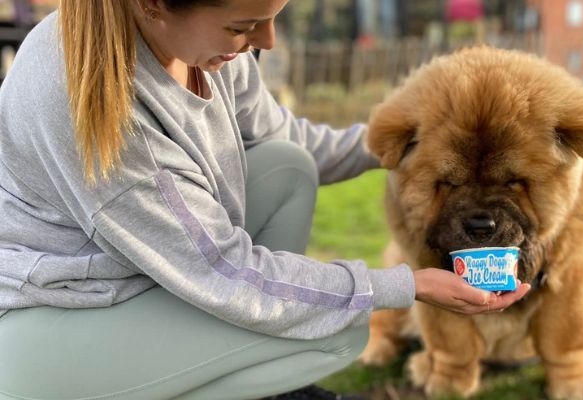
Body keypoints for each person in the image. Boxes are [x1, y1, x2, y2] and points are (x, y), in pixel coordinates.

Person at [0, 1, 531, 399]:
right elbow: (226, 271)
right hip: (53, 323)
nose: (267, 39)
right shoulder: (103, 117)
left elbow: (292, 140)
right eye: (243, 25)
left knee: (285, 166)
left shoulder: (204, 47)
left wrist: (407, 140)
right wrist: (404, 286)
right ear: (153, 4)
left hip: (152, 274)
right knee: (337, 334)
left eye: (272, 15)